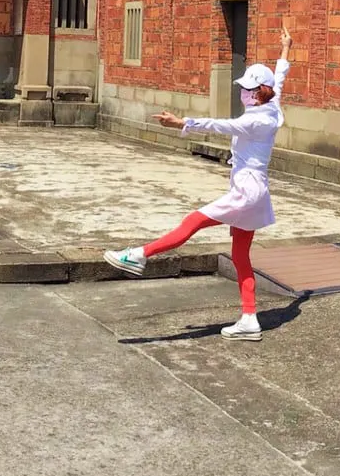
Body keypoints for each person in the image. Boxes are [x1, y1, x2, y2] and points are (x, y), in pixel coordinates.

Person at [104, 27, 293, 342]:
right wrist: (286, 48)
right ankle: (249, 319)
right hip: (255, 191)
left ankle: (139, 254)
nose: (243, 93)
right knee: (241, 254)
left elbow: (222, 125)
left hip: (246, 191)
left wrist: (183, 123)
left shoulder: (255, 120)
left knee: (192, 221)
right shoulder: (273, 106)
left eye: (249, 89)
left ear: (260, 91)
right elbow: (282, 76)